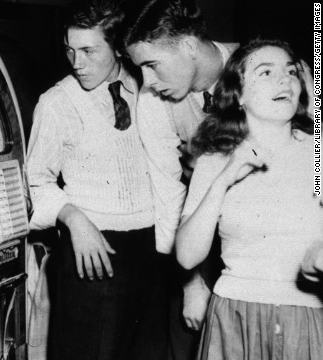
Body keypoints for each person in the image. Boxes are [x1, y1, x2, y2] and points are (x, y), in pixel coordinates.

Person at [26, 1, 168, 359]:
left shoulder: (150, 87)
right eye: (70, 50)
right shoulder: (56, 102)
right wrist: (73, 218)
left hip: (153, 252)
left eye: (89, 50)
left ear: (119, 47)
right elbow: (34, 181)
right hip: (92, 250)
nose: (77, 63)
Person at [175, 39, 322, 359]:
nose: (284, 79)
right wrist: (226, 178)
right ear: (237, 94)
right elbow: (186, 257)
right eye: (265, 72)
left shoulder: (317, 154)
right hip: (233, 318)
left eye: (291, 72)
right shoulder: (214, 161)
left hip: (307, 317)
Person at [120, 1, 238, 358]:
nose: (148, 82)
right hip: (196, 236)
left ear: (187, 45)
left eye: (152, 65)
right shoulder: (153, 100)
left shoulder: (262, 67)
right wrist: (192, 283)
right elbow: (169, 195)